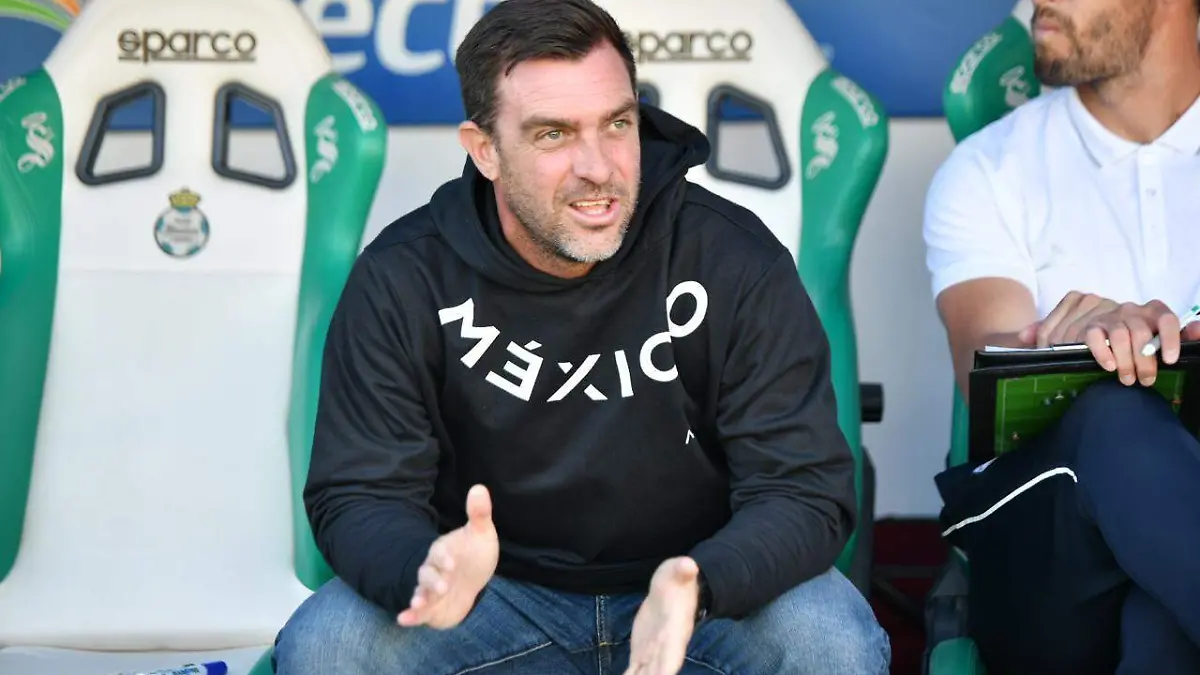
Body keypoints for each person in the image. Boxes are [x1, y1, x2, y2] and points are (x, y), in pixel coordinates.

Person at [272, 0, 890, 673]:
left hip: (695, 591)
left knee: (828, 637)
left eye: (617, 124)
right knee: (330, 642)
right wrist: (424, 572)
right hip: (490, 601)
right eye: (553, 134)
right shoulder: (404, 277)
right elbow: (359, 492)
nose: (598, 167)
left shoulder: (733, 258)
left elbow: (803, 488)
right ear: (485, 150)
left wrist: (702, 582)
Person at [924, 0, 1200, 672]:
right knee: (1114, 414)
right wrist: (1067, 344)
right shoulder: (989, 167)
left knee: (1157, 620)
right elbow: (983, 362)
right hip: (1046, 566)